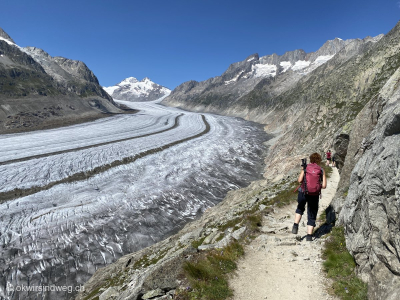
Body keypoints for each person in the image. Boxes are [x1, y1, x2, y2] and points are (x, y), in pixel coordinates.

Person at [291, 153, 327, 241]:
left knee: (300, 208)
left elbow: (299, 180)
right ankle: (309, 236)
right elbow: (324, 186)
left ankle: (295, 226)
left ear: (310, 159)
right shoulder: (321, 170)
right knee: (312, 213)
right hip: (314, 195)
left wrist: (303, 170)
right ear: (319, 160)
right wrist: (317, 186)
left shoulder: (306, 167)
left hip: (303, 192)